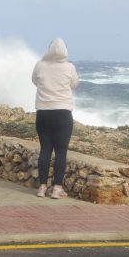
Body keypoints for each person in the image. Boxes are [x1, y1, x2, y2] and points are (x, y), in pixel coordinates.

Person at [31, 38, 79, 199]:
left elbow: (35, 81)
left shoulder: (40, 65)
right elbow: (74, 84)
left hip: (43, 112)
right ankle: (57, 189)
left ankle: (42, 188)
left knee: (45, 150)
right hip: (63, 113)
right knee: (61, 152)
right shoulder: (69, 67)